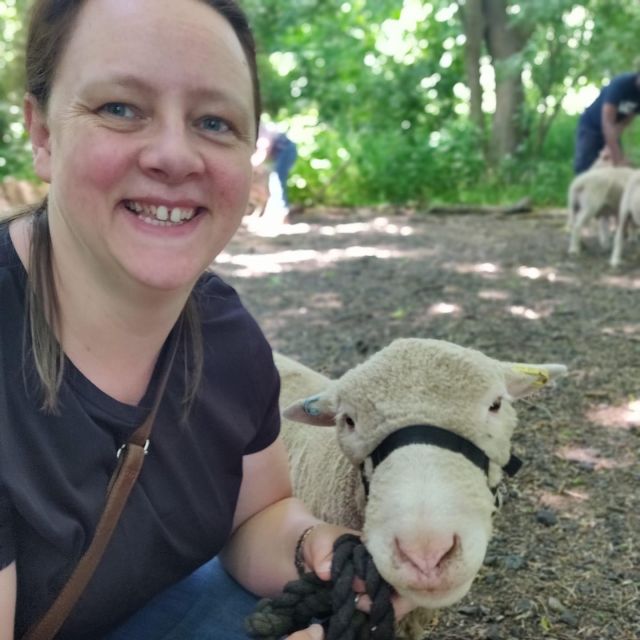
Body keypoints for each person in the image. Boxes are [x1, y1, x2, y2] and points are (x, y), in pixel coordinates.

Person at [0, 1, 413, 639]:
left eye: (214, 121)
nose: (174, 155)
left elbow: (259, 516)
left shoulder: (226, 335)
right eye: (120, 108)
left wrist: (319, 553)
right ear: (43, 133)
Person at [573, 70, 640, 173]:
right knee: (585, 164)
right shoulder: (621, 84)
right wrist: (617, 160)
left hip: (613, 129)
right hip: (592, 126)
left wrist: (611, 147)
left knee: (613, 161)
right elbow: (607, 122)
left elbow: (624, 122)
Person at [251, 121, 298, 223]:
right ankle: (276, 213)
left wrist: (252, 164)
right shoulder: (255, 129)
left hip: (286, 150)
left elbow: (264, 149)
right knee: (274, 180)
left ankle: (283, 214)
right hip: (281, 153)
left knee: (277, 180)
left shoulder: (261, 128)